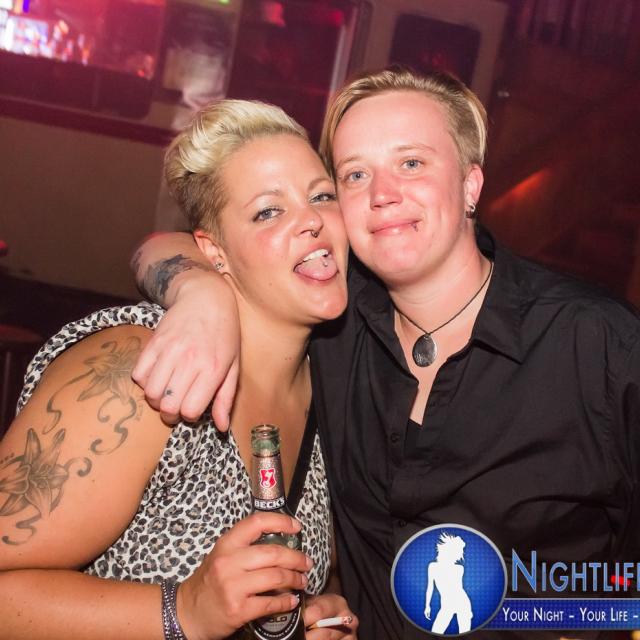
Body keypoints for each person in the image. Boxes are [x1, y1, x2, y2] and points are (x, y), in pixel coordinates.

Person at [129, 68, 640, 639]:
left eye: (412, 163)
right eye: (355, 174)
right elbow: (161, 244)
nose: (382, 194)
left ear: (470, 185)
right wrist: (198, 292)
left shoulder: (599, 346)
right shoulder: (331, 321)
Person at [0, 99, 358, 639]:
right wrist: (185, 611)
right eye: (268, 211)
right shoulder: (137, 373)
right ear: (214, 253)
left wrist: (311, 615)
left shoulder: (338, 387)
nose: (311, 219)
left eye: (321, 195)